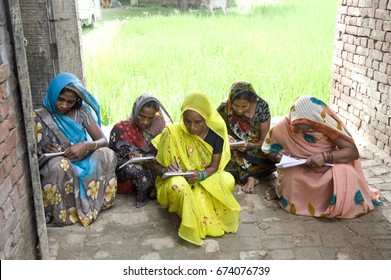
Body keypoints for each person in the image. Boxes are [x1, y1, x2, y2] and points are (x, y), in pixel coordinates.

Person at [261, 95, 382, 218]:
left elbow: (352, 152)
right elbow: (267, 148)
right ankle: (283, 193)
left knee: (346, 173)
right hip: (299, 167)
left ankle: (329, 203)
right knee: (290, 174)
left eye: (308, 127)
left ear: (317, 120)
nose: (302, 131)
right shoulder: (284, 125)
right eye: (297, 127)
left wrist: (325, 156)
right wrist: (277, 155)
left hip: (326, 166)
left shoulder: (326, 125)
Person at [151, 92, 242, 245]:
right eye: (187, 121)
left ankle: (192, 207)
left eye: (198, 122)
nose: (192, 127)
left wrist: (200, 175)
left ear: (207, 118)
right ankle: (189, 218)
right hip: (180, 180)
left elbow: (214, 166)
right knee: (178, 186)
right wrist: (167, 169)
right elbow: (156, 167)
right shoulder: (171, 133)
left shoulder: (216, 136)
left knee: (228, 179)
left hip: (204, 179)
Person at [34, 72, 117, 226]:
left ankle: (99, 202)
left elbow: (103, 140)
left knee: (107, 154)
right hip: (61, 163)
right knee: (60, 165)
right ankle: (63, 211)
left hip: (83, 158)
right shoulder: (40, 116)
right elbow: (36, 153)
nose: (64, 105)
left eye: (70, 102)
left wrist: (86, 145)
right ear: (53, 94)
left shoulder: (82, 112)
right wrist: (48, 148)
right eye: (60, 99)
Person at [109, 93, 172, 208]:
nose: (145, 121)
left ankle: (154, 189)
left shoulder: (160, 127)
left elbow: (165, 152)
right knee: (136, 170)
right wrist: (130, 157)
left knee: (168, 170)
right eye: (141, 116)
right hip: (126, 168)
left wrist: (153, 161)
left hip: (152, 166)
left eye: (150, 118)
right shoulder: (121, 129)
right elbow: (113, 160)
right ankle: (143, 197)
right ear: (135, 111)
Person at [217, 81, 275, 194]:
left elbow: (264, 140)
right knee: (220, 154)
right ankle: (252, 176)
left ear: (252, 102)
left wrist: (250, 145)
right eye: (236, 105)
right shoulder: (224, 108)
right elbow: (212, 130)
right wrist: (225, 137)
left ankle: (249, 176)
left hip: (255, 148)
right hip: (233, 150)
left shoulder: (261, 107)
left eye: (244, 106)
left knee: (272, 155)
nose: (239, 110)